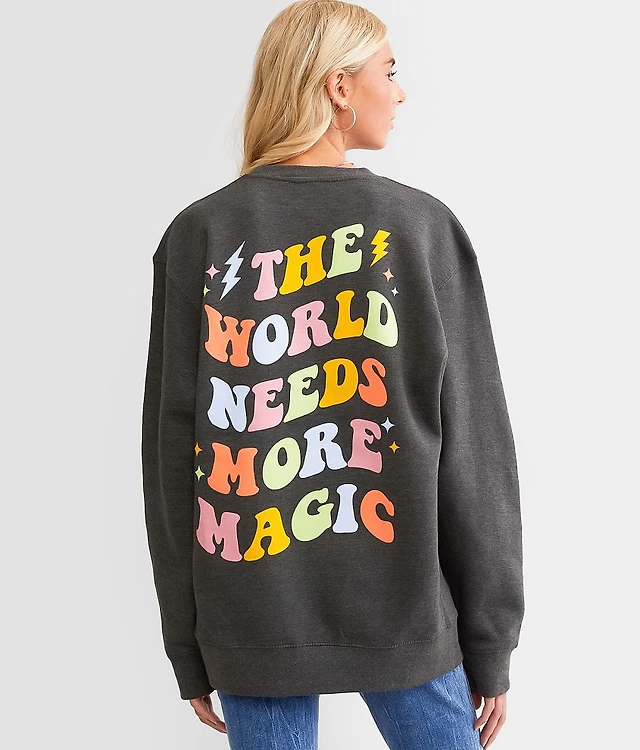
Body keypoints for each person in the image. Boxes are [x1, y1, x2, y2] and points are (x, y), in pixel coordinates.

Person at [140, 1, 525, 748]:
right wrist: (491, 640)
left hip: (252, 617)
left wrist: (187, 641)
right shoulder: (418, 228)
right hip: (405, 613)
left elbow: (173, 461)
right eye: (389, 70)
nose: (400, 92)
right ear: (338, 86)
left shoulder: (201, 233)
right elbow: (474, 451)